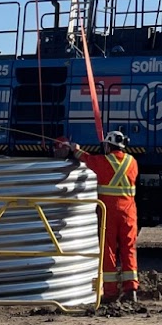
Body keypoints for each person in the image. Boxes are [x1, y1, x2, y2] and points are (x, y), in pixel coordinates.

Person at [59, 130, 139, 304]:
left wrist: (76, 149)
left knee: (108, 249)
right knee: (129, 248)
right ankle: (131, 289)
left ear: (108, 145)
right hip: (129, 213)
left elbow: (87, 159)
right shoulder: (133, 162)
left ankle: (110, 292)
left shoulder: (102, 161)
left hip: (109, 211)